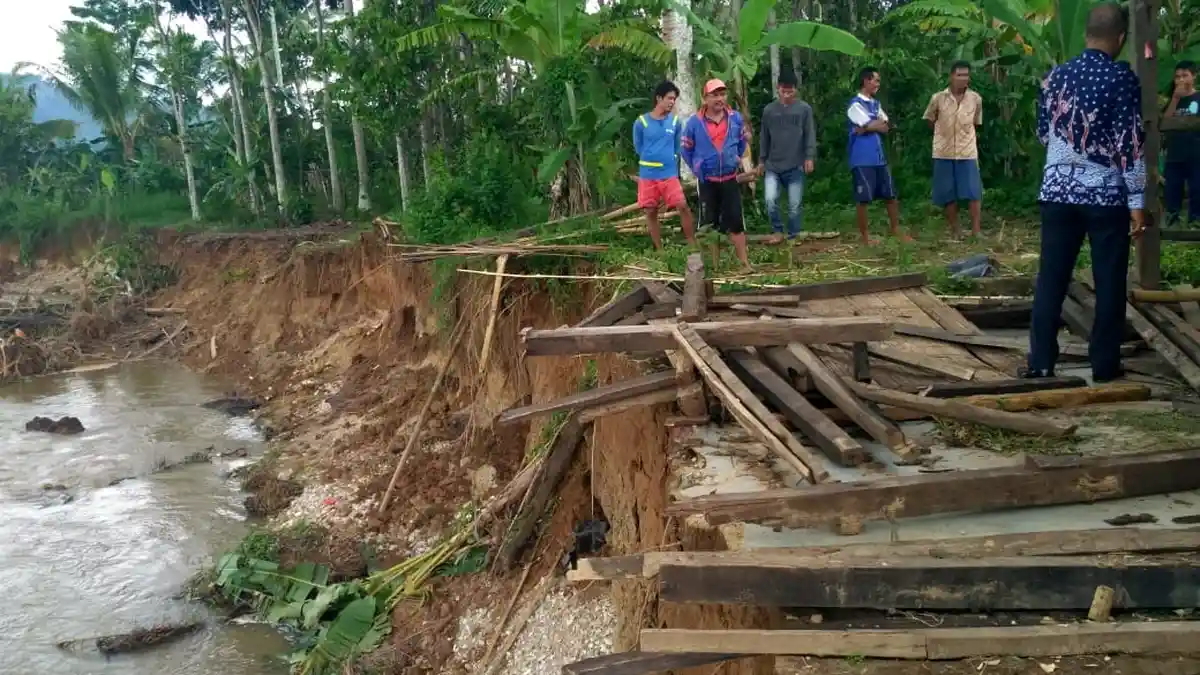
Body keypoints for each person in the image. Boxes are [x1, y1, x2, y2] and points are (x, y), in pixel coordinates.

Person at [1026, 2, 1144, 383]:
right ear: (1121, 38)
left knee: (1052, 278)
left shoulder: (1054, 78)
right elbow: (1130, 143)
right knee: (1109, 280)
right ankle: (1105, 366)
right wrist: (1138, 200)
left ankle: (1041, 361)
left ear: (1086, 34)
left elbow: (1043, 133)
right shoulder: (1121, 79)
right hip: (1104, 196)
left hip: (1057, 192)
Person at [681, 78, 753, 270]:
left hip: (730, 178)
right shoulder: (694, 123)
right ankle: (713, 266)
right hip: (707, 180)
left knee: (736, 222)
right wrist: (697, 167)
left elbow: (742, 141)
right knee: (708, 224)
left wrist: (734, 157)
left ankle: (744, 263)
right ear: (705, 99)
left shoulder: (735, 118)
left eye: (722, 94)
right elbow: (686, 149)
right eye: (714, 95)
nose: (719, 99)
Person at [633, 80, 697, 250]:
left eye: (674, 99)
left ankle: (692, 244)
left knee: (682, 205)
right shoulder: (641, 122)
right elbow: (639, 147)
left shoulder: (676, 123)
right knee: (651, 211)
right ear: (658, 98)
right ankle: (659, 249)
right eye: (669, 98)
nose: (672, 102)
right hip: (648, 175)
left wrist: (669, 159)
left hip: (669, 174)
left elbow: (677, 147)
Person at [923, 60, 985, 238]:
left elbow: (976, 123)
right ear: (951, 76)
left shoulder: (975, 99)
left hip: (967, 151)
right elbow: (930, 120)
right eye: (959, 75)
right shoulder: (938, 98)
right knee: (948, 193)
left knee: (974, 192)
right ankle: (956, 230)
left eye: (966, 75)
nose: (963, 79)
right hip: (943, 151)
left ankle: (976, 231)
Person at [847, 67, 908, 244]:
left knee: (890, 195)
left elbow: (886, 125)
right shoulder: (855, 105)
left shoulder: (875, 104)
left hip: (878, 157)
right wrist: (872, 125)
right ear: (866, 81)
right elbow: (874, 124)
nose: (877, 84)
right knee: (863, 198)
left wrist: (867, 127)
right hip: (861, 158)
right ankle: (865, 237)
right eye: (875, 80)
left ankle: (896, 229)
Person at [758, 69, 816, 244]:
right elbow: (764, 137)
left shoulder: (804, 109)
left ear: (796, 90)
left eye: (790, 91)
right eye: (784, 91)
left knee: (794, 204)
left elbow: (809, 133)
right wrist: (761, 160)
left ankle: (793, 234)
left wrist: (809, 156)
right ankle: (777, 230)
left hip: (795, 163)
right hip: (773, 164)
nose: (787, 94)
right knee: (770, 200)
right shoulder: (769, 110)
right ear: (778, 88)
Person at [1165, 60, 1200, 227]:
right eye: (1177, 76)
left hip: (1195, 152)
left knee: (1197, 188)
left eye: (1185, 75)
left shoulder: (1198, 97)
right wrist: (1175, 99)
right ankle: (1173, 218)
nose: (1181, 80)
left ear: (1193, 76)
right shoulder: (1174, 100)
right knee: (1172, 188)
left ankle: (1196, 220)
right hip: (1175, 153)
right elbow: (1165, 122)